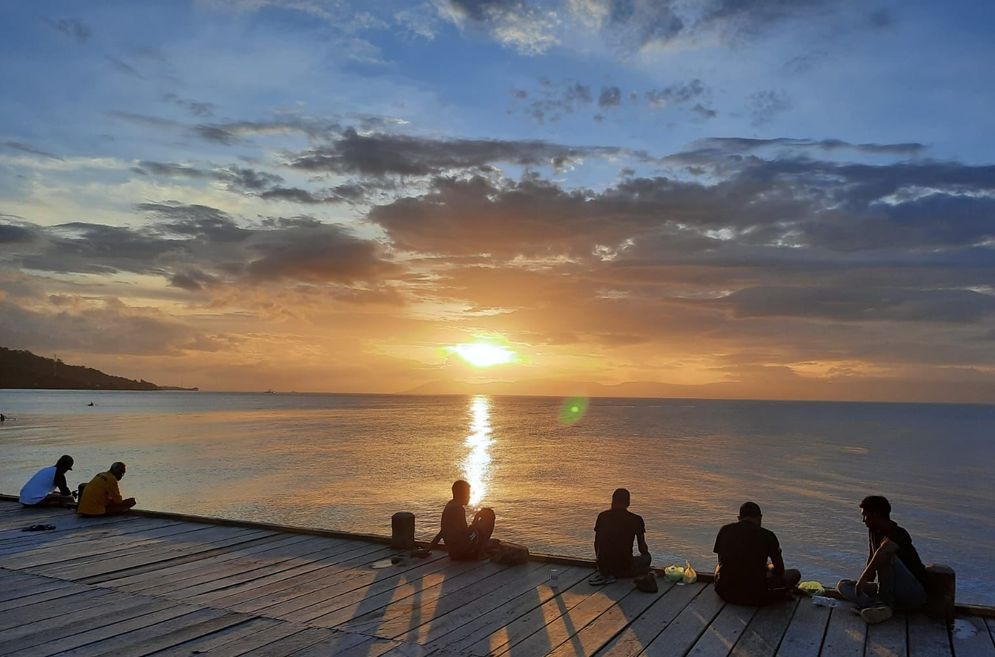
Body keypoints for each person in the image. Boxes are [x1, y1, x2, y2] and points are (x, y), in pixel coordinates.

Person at [837, 495, 927, 624]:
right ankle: (878, 606)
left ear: (877, 514)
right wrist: (863, 584)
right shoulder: (874, 532)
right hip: (889, 590)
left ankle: (882, 605)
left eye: (865, 515)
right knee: (844, 586)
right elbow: (872, 559)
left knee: (885, 556)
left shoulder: (899, 533)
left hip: (912, 592)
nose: (863, 520)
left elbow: (883, 552)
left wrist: (863, 578)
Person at [713, 502, 801, 605]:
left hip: (724, 593)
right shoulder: (768, 535)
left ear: (739, 518)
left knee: (719, 567)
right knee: (795, 574)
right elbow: (780, 570)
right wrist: (769, 567)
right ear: (760, 517)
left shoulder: (724, 530)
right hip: (756, 595)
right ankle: (779, 593)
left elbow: (721, 561)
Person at [590, 488, 651, 584]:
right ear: (628, 502)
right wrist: (646, 554)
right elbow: (642, 548)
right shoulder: (636, 519)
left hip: (604, 568)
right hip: (625, 567)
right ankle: (632, 571)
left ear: (612, 500)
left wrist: (599, 561)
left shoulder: (602, 516)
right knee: (647, 558)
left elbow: (596, 543)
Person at [427, 480, 495, 560]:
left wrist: (428, 549)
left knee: (482, 532)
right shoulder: (459, 509)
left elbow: (443, 531)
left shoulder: (450, 505)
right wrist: (476, 519)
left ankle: (482, 549)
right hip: (462, 553)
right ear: (460, 494)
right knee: (490, 515)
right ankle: (479, 554)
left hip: (453, 553)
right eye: (468, 494)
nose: (469, 497)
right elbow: (466, 533)